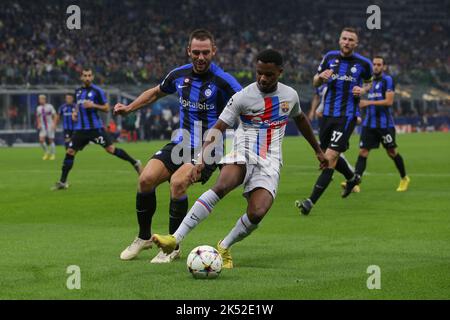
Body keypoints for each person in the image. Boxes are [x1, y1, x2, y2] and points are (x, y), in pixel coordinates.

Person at [151, 49, 327, 268]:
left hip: (270, 162)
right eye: (259, 73)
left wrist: (318, 151)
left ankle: (224, 245)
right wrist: (201, 159)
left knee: (257, 213)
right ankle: (175, 238)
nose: (262, 78)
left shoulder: (290, 96)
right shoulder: (243, 96)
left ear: (280, 72)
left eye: (269, 74)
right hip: (242, 152)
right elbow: (218, 127)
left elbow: (301, 120)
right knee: (221, 186)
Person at [113, 29, 242, 263]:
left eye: (205, 52)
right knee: (145, 179)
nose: (200, 57)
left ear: (214, 51)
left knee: (178, 183)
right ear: (188, 52)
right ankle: (143, 238)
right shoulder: (179, 75)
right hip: (180, 142)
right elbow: (155, 93)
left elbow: (248, 106)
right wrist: (129, 108)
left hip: (208, 149)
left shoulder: (224, 82)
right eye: (196, 52)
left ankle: (172, 245)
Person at [296, 27, 373, 215]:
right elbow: (315, 81)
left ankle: (309, 202)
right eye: (344, 38)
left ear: (356, 43)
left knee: (329, 158)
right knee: (326, 153)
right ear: (339, 40)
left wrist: (363, 90)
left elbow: (369, 82)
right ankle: (352, 178)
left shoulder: (363, 63)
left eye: (351, 40)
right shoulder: (329, 57)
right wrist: (320, 78)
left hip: (347, 116)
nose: (347, 42)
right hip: (327, 115)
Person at [52, 67, 142, 190]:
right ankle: (63, 182)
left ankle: (135, 162)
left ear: (92, 77)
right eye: (85, 75)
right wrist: (74, 112)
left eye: (89, 75)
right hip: (80, 130)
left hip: (95, 129)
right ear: (81, 77)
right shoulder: (78, 91)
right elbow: (78, 106)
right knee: (70, 152)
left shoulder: (97, 91)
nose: (87, 78)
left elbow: (106, 108)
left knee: (111, 149)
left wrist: (93, 105)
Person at [353, 56, 410, 191]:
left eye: (379, 64)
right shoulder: (368, 81)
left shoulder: (387, 80)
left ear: (383, 66)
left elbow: (389, 102)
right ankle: (355, 183)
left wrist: (368, 102)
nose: (376, 66)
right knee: (363, 152)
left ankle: (404, 178)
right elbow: (360, 93)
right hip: (368, 124)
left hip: (385, 125)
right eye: (374, 64)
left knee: (391, 152)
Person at [36, 95, 57, 160]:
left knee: (51, 140)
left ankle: (53, 154)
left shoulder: (50, 106)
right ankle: (47, 152)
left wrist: (54, 124)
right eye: (39, 99)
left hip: (50, 125)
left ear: (45, 100)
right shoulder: (38, 108)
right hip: (43, 126)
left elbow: (55, 115)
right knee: (41, 140)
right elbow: (38, 117)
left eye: (42, 99)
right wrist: (39, 124)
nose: (40, 100)